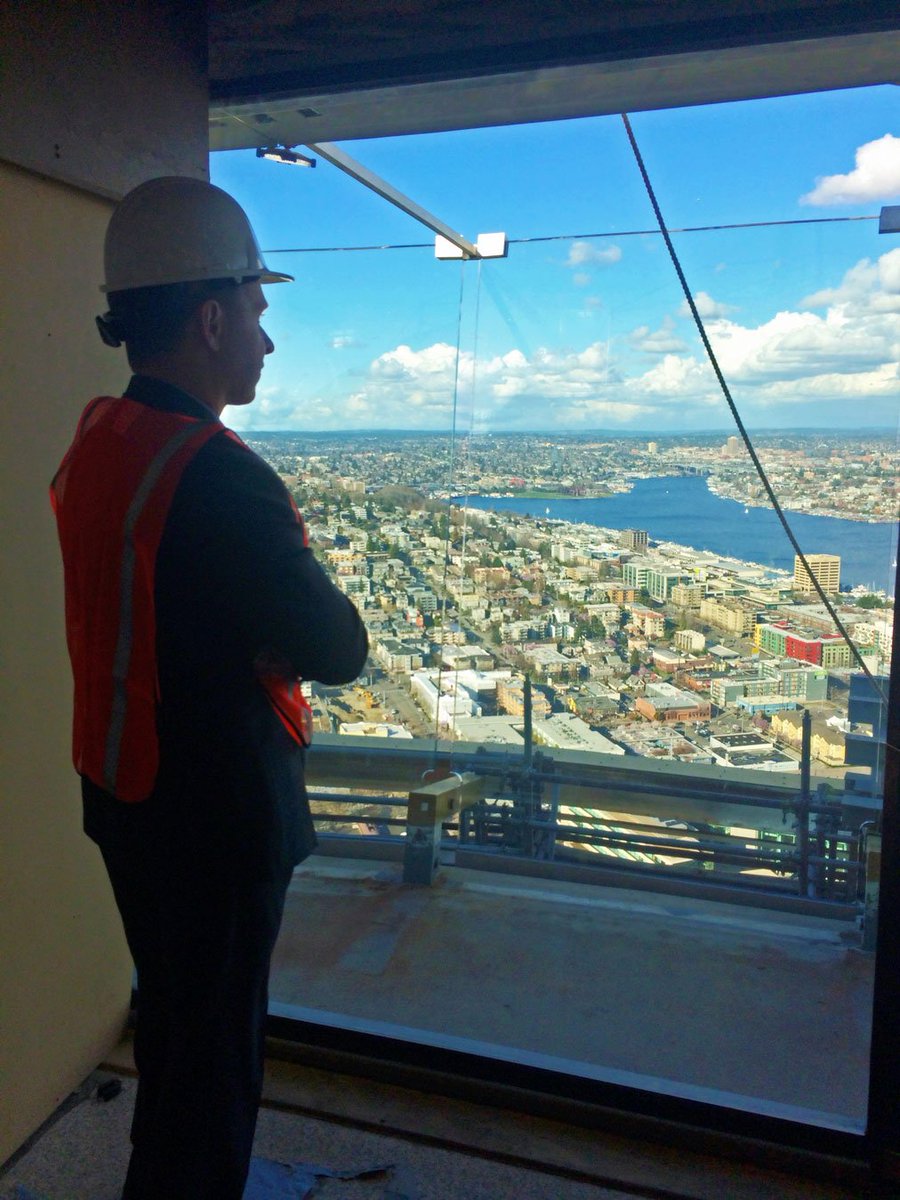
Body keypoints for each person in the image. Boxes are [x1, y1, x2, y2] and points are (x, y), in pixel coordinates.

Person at [50, 176, 369, 1199]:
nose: (267, 340)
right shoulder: (217, 471)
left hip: (123, 792)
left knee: (177, 1033)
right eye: (257, 311)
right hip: (216, 819)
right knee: (217, 1061)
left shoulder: (100, 439)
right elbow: (338, 647)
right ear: (211, 318)